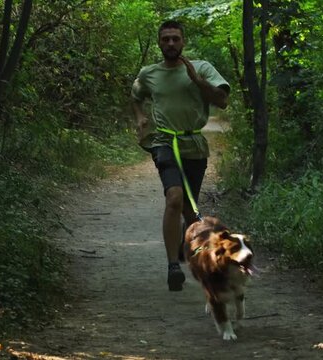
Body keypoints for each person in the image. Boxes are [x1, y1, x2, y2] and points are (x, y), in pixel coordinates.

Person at [131, 20, 230, 291]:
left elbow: (222, 100)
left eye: (175, 39)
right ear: (159, 43)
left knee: (189, 208)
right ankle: (173, 266)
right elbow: (136, 96)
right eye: (166, 39)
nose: (171, 44)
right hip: (163, 141)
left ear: (183, 41)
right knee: (174, 198)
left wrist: (198, 82)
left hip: (194, 144)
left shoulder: (202, 68)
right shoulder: (150, 73)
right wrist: (140, 118)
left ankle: (182, 246)